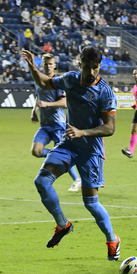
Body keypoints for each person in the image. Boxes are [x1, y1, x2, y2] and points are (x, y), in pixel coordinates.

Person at [22, 46, 121, 261]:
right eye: (87, 67)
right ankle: (62, 224)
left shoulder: (105, 92)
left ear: (100, 66)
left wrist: (82, 132)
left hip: (91, 152)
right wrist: (31, 67)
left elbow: (109, 128)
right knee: (41, 182)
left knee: (91, 204)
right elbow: (45, 83)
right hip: (70, 145)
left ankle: (112, 240)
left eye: (95, 68)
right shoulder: (71, 79)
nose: (91, 72)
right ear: (80, 64)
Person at [30, 54, 82, 192]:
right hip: (45, 125)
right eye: (46, 64)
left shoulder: (57, 82)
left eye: (50, 64)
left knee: (63, 155)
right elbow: (38, 96)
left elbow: (64, 102)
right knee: (36, 151)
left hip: (58, 124)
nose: (48, 66)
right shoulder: (39, 80)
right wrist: (33, 111)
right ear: (43, 65)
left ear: (54, 65)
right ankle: (56, 154)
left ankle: (77, 179)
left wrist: (46, 104)